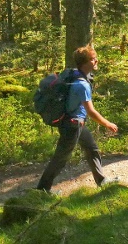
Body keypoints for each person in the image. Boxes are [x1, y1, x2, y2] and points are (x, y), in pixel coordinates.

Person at [36, 45, 119, 193]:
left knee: (92, 149)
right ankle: (42, 190)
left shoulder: (72, 74)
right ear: (85, 63)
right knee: (60, 159)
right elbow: (91, 112)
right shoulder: (82, 85)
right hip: (72, 125)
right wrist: (108, 124)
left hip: (76, 123)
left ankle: (101, 180)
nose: (96, 61)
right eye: (93, 59)